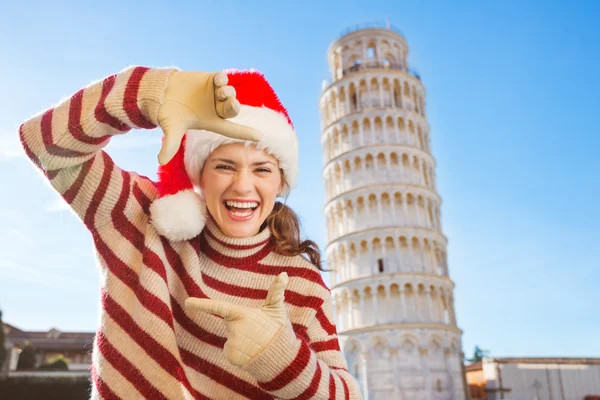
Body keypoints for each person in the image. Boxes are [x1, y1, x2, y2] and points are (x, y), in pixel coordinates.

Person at [19, 65, 362, 399]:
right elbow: (44, 143)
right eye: (224, 166)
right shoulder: (139, 217)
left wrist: (283, 359)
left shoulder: (302, 285)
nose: (243, 186)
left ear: (281, 181)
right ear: (199, 173)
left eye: (262, 169)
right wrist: (148, 92)